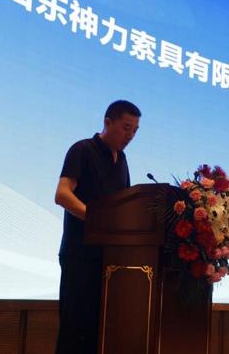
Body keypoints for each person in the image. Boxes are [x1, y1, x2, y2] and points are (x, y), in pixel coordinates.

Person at [54, 100, 141, 354]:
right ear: (107, 122)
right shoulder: (83, 149)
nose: (130, 136)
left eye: (135, 130)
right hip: (79, 255)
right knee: (74, 330)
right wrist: (98, 220)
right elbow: (62, 194)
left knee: (99, 332)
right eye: (126, 128)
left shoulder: (122, 160)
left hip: (110, 261)